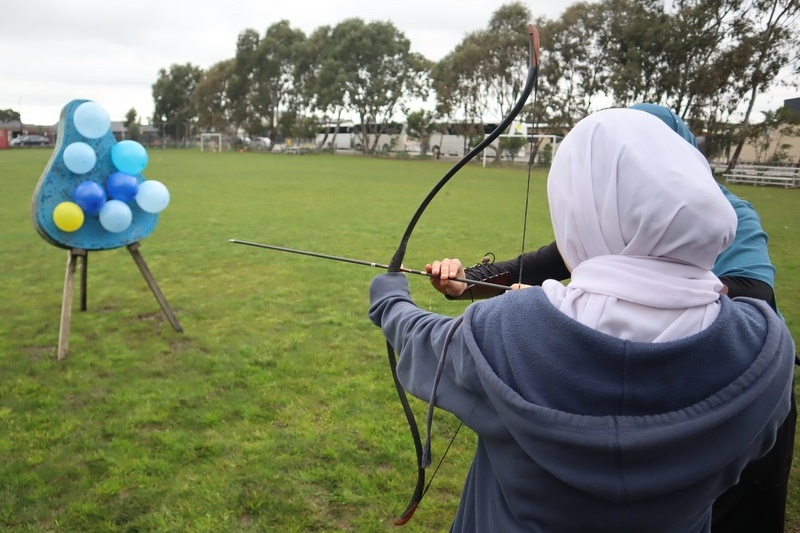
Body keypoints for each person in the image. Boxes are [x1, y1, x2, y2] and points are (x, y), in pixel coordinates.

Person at [369, 108, 795, 532]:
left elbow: (424, 341)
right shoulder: (765, 349)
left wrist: (388, 296)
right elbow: (548, 262)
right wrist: (472, 282)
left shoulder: (512, 330)